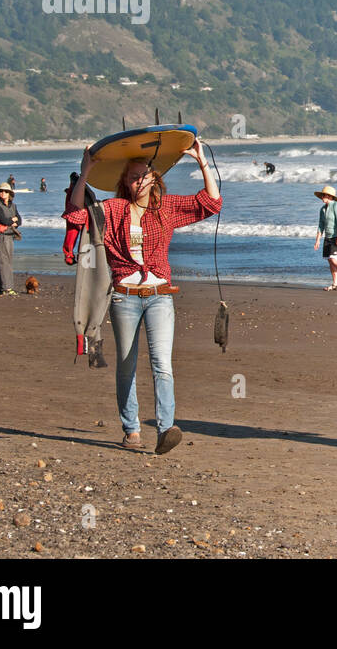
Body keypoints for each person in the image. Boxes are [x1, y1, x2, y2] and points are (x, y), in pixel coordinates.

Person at [63, 140, 222, 455]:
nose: (139, 181)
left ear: (155, 178)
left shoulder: (166, 208)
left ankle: (165, 429)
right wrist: (86, 173)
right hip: (124, 297)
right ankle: (131, 428)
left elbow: (211, 204)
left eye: (144, 176)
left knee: (163, 364)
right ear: (124, 181)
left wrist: (202, 162)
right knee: (127, 364)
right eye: (133, 177)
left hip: (160, 295)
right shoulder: (113, 210)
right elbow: (76, 215)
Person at [0, 184, 22, 295]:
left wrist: (11, 221)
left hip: (10, 235)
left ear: (10, 194)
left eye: (5, 191)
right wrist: (12, 220)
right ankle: (7, 288)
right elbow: (4, 220)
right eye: (1, 191)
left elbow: (20, 221)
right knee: (4, 261)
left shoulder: (13, 205)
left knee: (5, 261)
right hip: (1, 236)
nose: (3, 193)